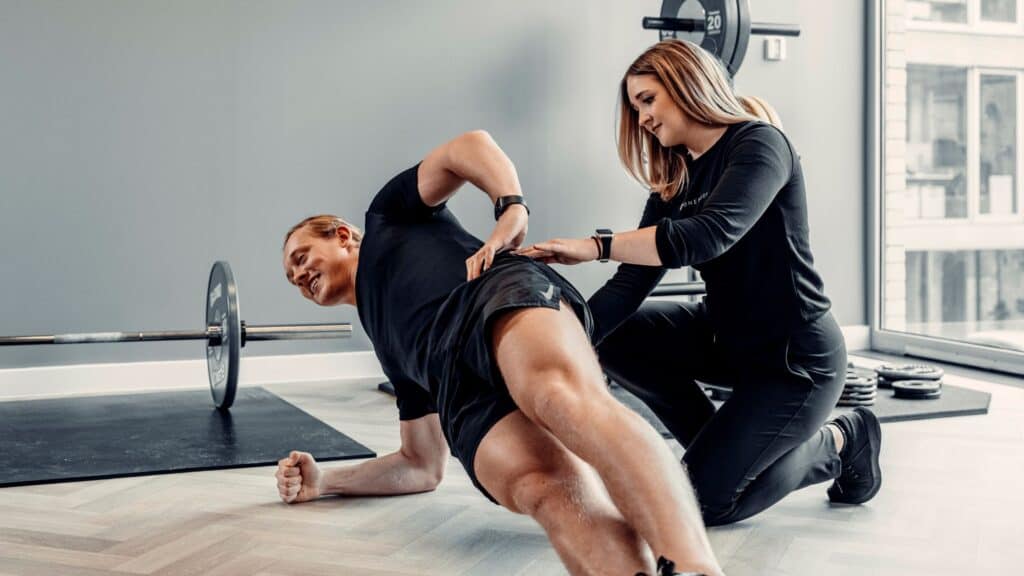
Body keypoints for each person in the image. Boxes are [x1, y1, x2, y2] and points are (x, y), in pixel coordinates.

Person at [275, 129, 723, 576]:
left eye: (301, 257)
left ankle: (694, 567)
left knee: (558, 396)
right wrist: (326, 481)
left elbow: (468, 146)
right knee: (543, 489)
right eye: (292, 280)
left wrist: (511, 206)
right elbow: (421, 466)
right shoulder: (386, 343)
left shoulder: (386, 219)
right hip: (456, 385)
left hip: (486, 298)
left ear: (342, 236)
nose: (298, 277)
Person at [517, 39, 882, 527]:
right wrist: (559, 344)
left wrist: (597, 245)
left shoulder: (759, 144)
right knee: (617, 339)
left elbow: (708, 237)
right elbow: (630, 287)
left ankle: (841, 438)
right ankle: (720, 447)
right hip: (724, 338)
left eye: (648, 99)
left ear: (686, 83)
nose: (642, 117)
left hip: (795, 360)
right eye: (635, 106)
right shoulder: (675, 178)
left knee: (701, 504)